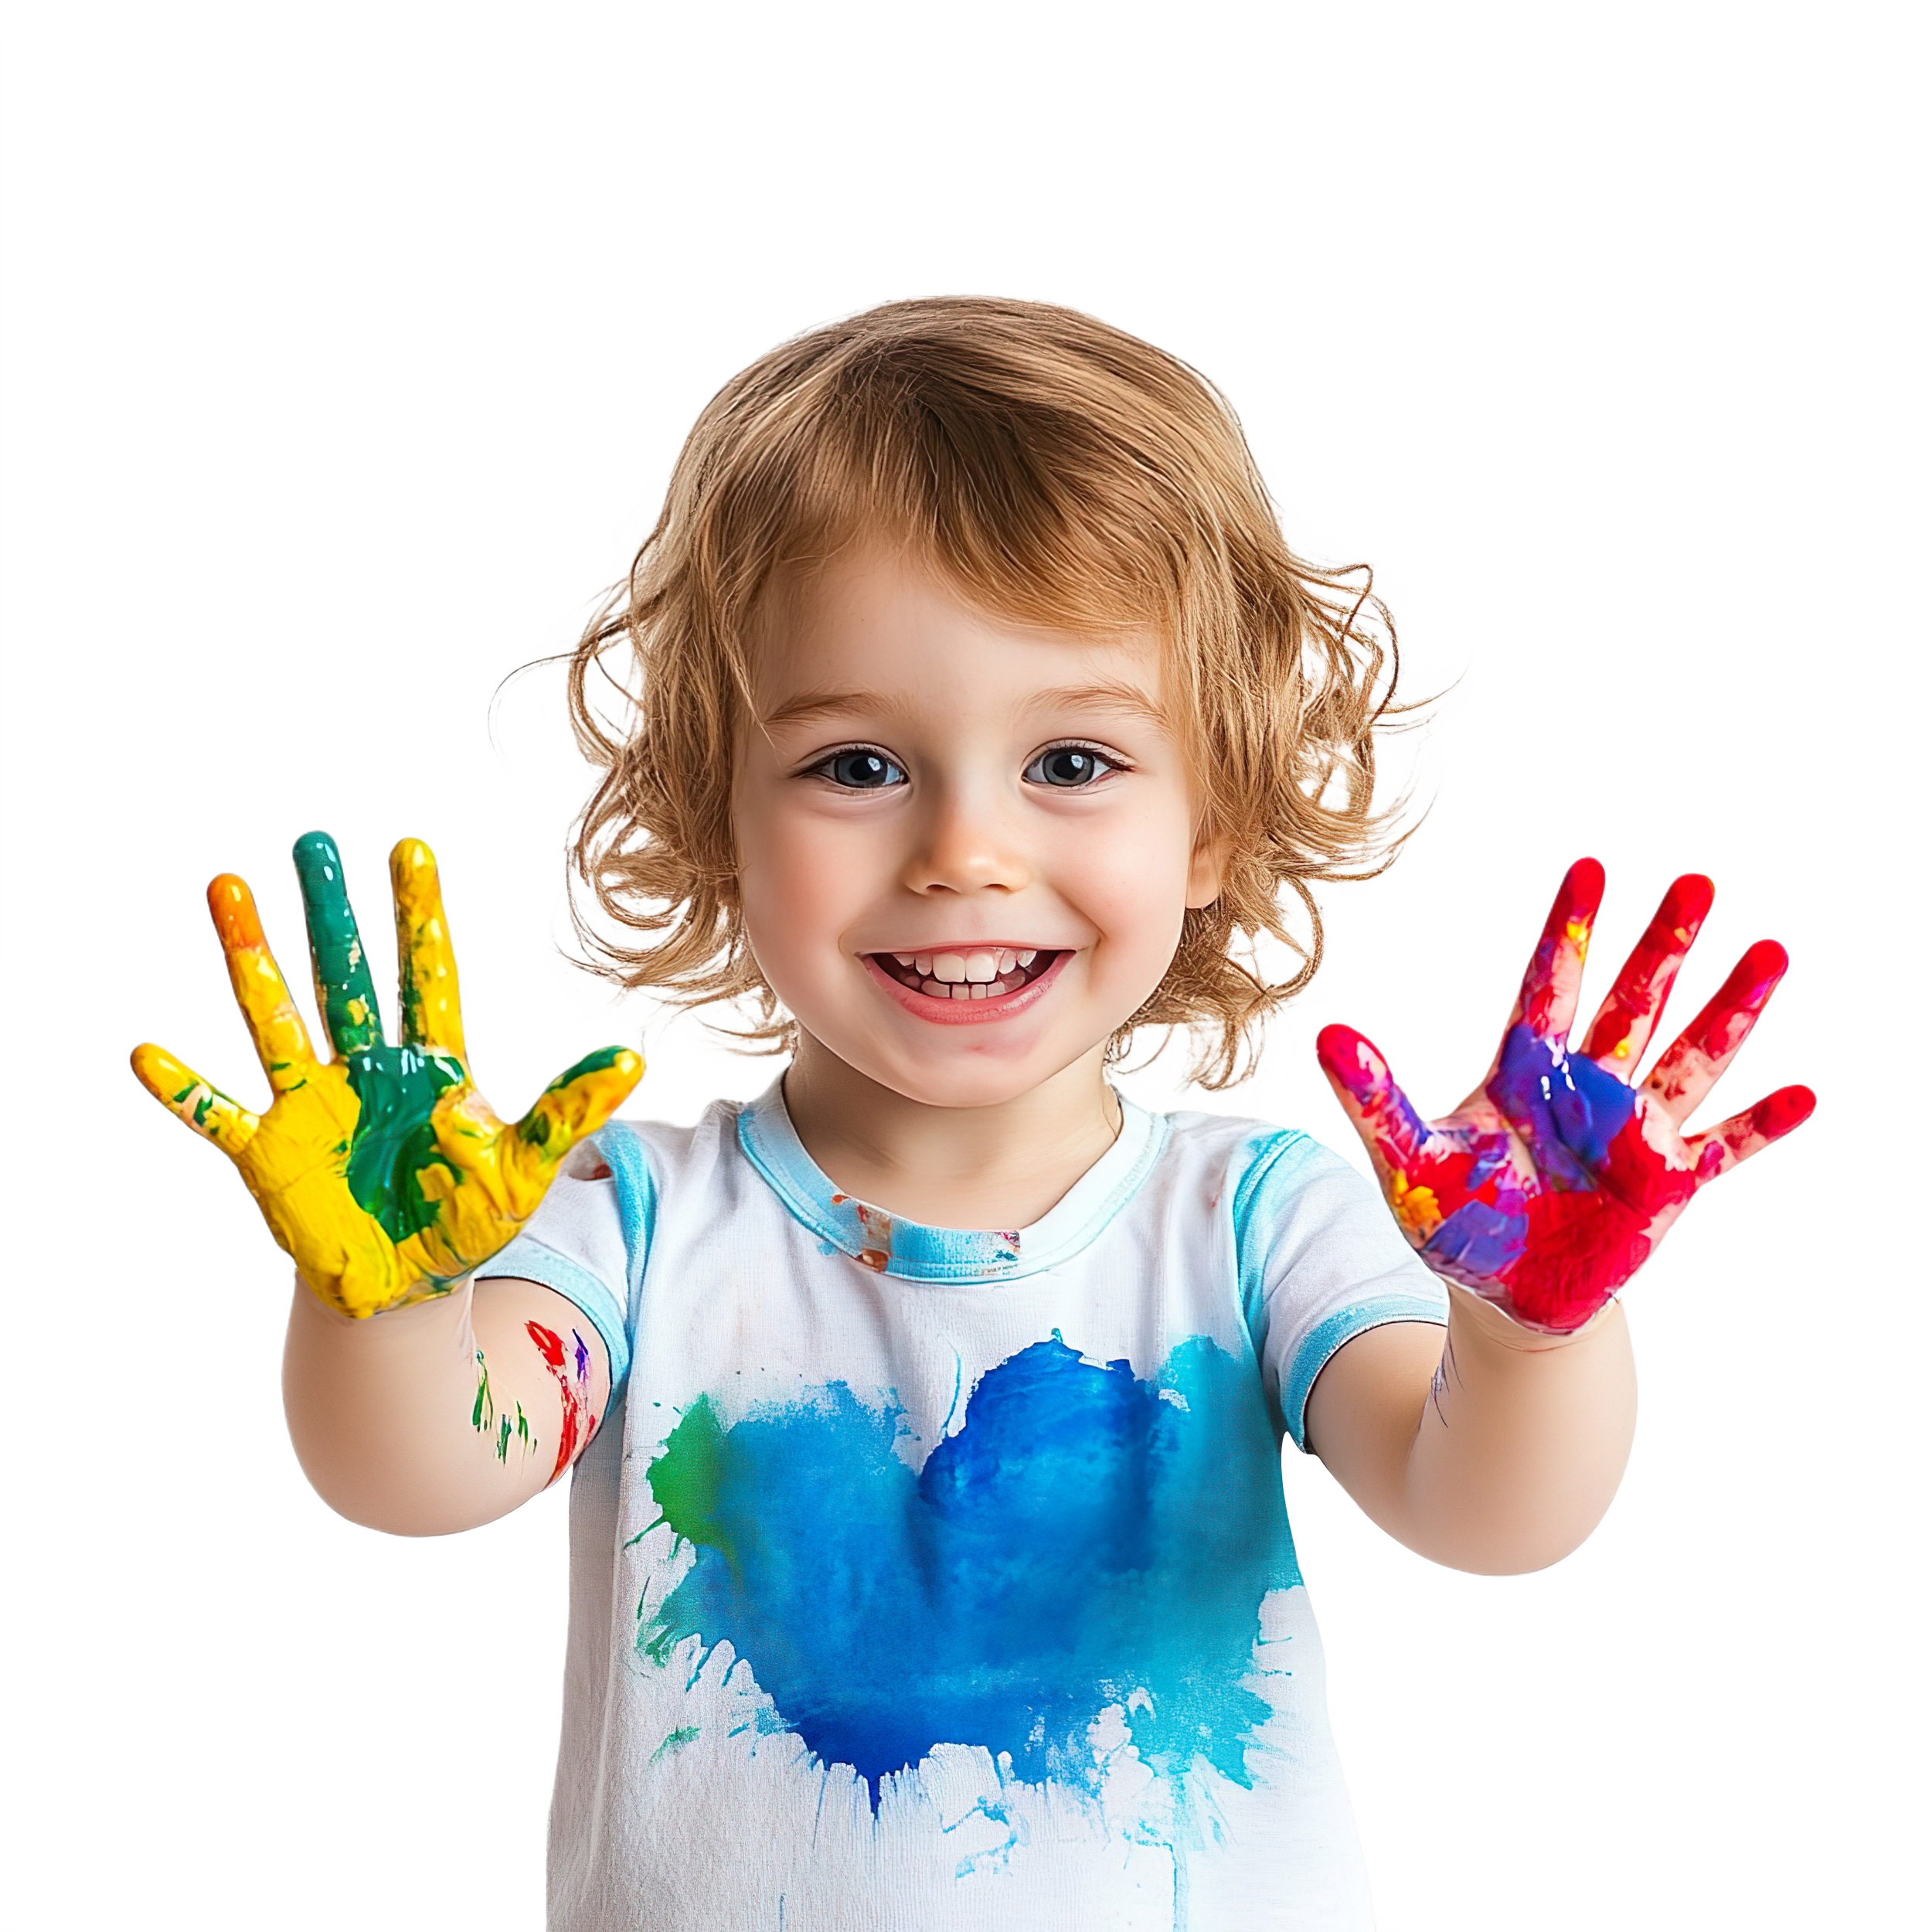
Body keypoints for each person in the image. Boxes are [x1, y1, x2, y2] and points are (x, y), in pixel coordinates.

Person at [131, 294, 1815, 1931]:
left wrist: (1526, 1331)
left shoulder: (1250, 1222)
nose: (960, 849)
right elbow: (412, 1468)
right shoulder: (627, 1217)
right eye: (856, 765)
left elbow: (1491, 1515)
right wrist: (392, 1293)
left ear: (1211, 818)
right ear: (714, 818)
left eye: (1070, 761)